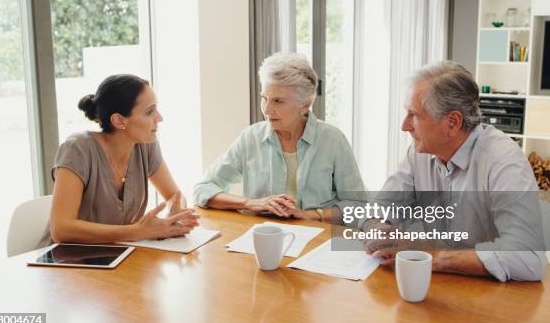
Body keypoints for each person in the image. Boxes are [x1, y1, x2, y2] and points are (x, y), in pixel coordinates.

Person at [361, 60, 546, 282]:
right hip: (437, 284)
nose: (404, 126)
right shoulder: (419, 152)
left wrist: (427, 255)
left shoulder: (503, 160)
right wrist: (378, 230)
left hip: (494, 296)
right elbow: (378, 208)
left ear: (452, 122)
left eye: (414, 115)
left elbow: (528, 258)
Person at [193, 52, 364, 222]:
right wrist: (250, 203)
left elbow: (359, 206)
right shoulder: (250, 138)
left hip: (318, 239)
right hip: (263, 237)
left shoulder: (332, 140)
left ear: (305, 105)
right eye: (264, 98)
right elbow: (203, 189)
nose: (266, 110)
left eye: (278, 101)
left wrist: (310, 215)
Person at [39, 74, 199, 246]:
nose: (159, 118)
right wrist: (138, 232)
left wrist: (177, 211)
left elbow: (174, 195)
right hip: (65, 261)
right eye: (149, 111)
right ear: (119, 120)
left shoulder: (145, 144)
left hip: (115, 255)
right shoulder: (77, 149)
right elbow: (61, 229)